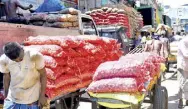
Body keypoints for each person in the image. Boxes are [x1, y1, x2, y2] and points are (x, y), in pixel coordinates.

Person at [0, 42, 48, 109]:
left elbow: (43, 74)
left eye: (20, 58)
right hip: (12, 99)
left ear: (21, 48)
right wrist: (6, 95)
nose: (19, 61)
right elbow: (6, 76)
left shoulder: (35, 56)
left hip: (32, 99)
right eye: (15, 61)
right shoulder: (3, 60)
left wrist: (42, 96)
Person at [177, 37, 188, 108]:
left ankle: (187, 99)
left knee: (186, 83)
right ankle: (180, 100)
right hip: (182, 65)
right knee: (182, 83)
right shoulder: (183, 42)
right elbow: (186, 54)